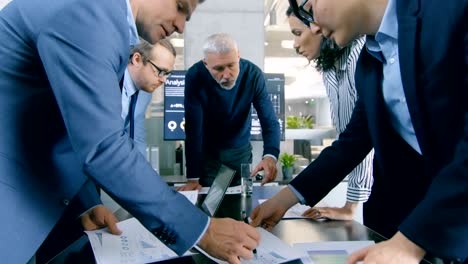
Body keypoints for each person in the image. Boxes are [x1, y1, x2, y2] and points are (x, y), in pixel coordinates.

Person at [0, 0, 260, 263]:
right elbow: (103, 147)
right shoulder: (89, 12)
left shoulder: (106, 26)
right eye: (180, 6)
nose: (181, 26)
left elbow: (68, 129)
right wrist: (201, 230)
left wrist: (86, 202)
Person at [252, 0, 468, 263]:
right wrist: (286, 198)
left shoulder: (451, 12)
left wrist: (411, 242)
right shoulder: (369, 62)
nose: (314, 28)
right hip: (411, 224)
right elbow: (353, 141)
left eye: (310, 10)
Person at [286, 6, 373, 221]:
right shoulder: (329, 68)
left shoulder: (358, 58)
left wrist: (350, 207)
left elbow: (360, 140)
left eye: (298, 33)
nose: (295, 45)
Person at [177, 33, 280, 191]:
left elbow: (269, 120)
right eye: (218, 69)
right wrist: (193, 177)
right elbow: (193, 129)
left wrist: (270, 156)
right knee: (210, 204)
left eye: (231, 65)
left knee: (241, 200)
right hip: (208, 155)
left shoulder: (253, 75)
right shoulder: (195, 76)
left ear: (238, 56)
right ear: (206, 64)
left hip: (240, 153)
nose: (226, 75)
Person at [122, 39, 175, 155]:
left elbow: (136, 133)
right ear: (137, 60)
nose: (164, 80)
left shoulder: (145, 92)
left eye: (167, 74)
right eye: (160, 71)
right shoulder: (110, 82)